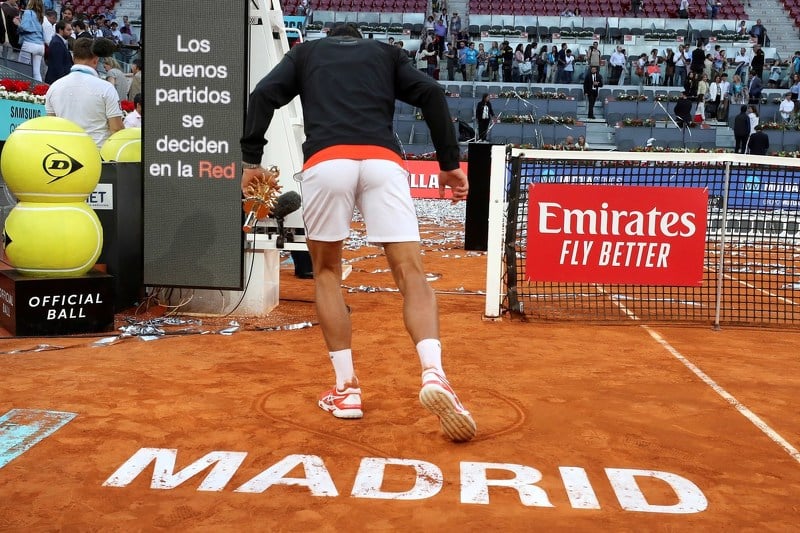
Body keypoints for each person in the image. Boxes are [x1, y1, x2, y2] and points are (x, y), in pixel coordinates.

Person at [240, 24, 476, 442]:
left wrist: (251, 159)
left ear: (330, 37)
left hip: (327, 162)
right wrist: (448, 162)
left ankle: (346, 390)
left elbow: (262, 94)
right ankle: (434, 373)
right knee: (411, 273)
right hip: (383, 162)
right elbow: (433, 94)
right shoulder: (385, 53)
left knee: (327, 272)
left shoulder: (306, 54)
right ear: (358, 39)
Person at [45, 38, 123, 148]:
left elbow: (51, 127)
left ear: (73, 58)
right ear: (96, 60)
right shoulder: (106, 88)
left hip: (65, 155)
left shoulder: (54, 87)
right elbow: (116, 129)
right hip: (98, 155)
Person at [18, 0, 46, 82]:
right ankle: (39, 92)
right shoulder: (40, 15)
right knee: (36, 72)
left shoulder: (28, 12)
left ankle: (22, 92)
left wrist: (18, 23)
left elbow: (24, 28)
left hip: (30, 44)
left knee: (22, 70)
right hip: (40, 46)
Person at [43, 19, 72, 84]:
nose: (71, 32)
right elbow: (58, 66)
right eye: (68, 30)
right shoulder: (57, 43)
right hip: (56, 81)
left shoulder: (59, 41)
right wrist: (63, 82)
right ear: (60, 30)